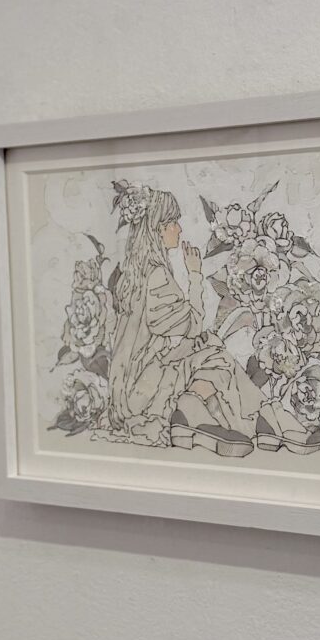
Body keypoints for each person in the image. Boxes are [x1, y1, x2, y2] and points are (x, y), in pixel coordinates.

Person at [107, 186, 264, 457]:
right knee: (218, 358)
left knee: (209, 348)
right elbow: (192, 325)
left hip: (133, 382)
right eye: (172, 223)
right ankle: (256, 422)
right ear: (157, 229)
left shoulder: (135, 275)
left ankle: (204, 419)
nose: (179, 229)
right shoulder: (156, 275)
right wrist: (195, 276)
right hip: (143, 391)